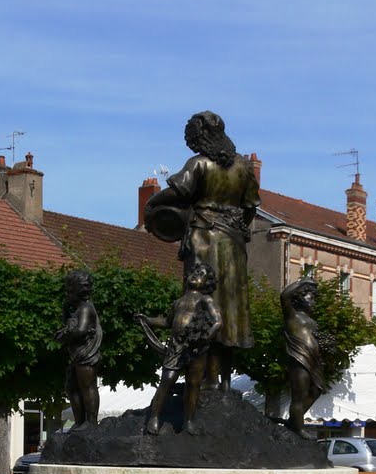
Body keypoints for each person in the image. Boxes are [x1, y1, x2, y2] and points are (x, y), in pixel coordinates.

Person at [144, 111, 260, 392]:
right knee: (229, 308)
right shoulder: (243, 168)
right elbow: (250, 208)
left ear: (202, 137)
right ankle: (224, 380)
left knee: (201, 307)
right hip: (233, 243)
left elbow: (177, 192)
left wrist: (151, 203)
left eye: (194, 138)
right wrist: (235, 228)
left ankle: (206, 377)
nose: (192, 145)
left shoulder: (198, 164)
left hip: (204, 239)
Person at [136, 262, 222, 435]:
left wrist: (207, 336)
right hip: (176, 346)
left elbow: (218, 321)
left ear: (207, 283)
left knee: (193, 383)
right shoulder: (179, 302)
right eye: (195, 271)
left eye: (201, 274)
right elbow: (167, 322)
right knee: (167, 379)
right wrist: (149, 320)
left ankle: (189, 421)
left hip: (196, 348)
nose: (196, 274)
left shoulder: (206, 300)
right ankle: (154, 417)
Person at [55, 270, 102, 426]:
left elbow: (81, 330)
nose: (67, 294)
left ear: (77, 291)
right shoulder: (77, 310)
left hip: (86, 355)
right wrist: (64, 310)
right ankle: (79, 421)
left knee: (87, 387)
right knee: (73, 388)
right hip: (78, 356)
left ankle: (91, 422)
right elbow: (68, 325)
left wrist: (64, 336)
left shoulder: (86, 308)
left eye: (69, 291)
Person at [280, 278, 326, 437]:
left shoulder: (312, 322)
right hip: (299, 357)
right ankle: (298, 428)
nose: (313, 302)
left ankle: (294, 420)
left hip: (314, 360)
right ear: (300, 299)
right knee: (298, 395)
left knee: (316, 391)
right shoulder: (292, 316)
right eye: (310, 298)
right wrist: (302, 282)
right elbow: (284, 296)